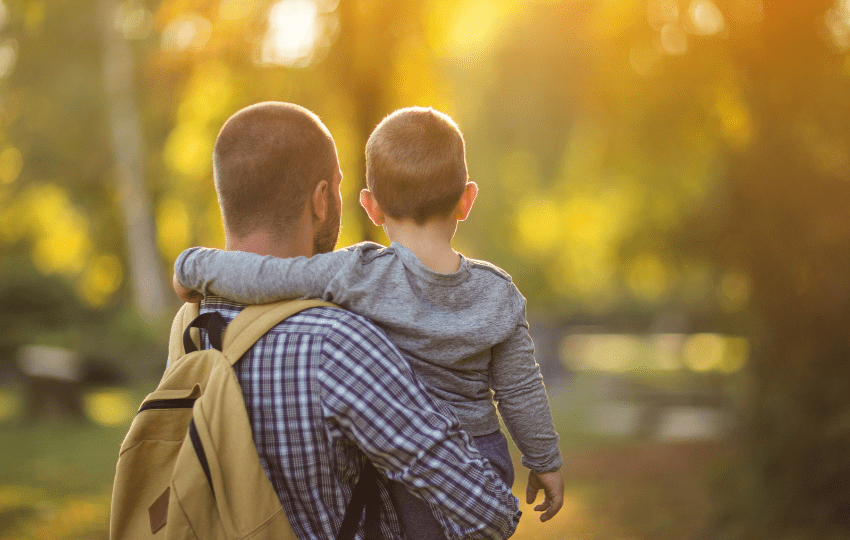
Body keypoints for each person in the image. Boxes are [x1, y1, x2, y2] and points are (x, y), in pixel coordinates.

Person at [173, 106, 564, 536]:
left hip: (394, 484)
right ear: (466, 199)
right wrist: (545, 461)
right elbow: (521, 388)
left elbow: (271, 276)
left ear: (372, 207)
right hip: (483, 457)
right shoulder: (498, 293)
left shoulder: (352, 276)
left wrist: (195, 264)